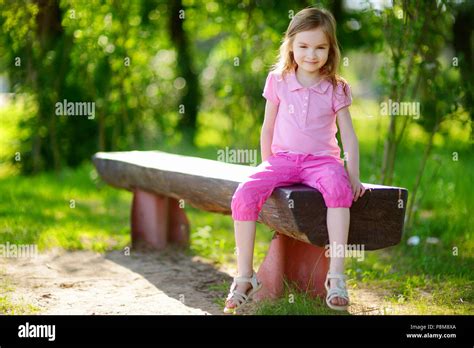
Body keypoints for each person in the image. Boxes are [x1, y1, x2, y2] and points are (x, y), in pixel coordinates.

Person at [223, 6, 366, 314]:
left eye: (320, 47)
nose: (311, 54)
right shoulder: (278, 80)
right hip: (284, 159)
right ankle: (246, 277)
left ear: (330, 50)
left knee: (339, 191)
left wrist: (352, 175)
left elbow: (349, 137)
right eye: (303, 46)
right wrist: (267, 168)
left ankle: (337, 276)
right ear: (290, 45)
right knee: (245, 193)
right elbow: (268, 128)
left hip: (321, 162)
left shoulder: (336, 87)